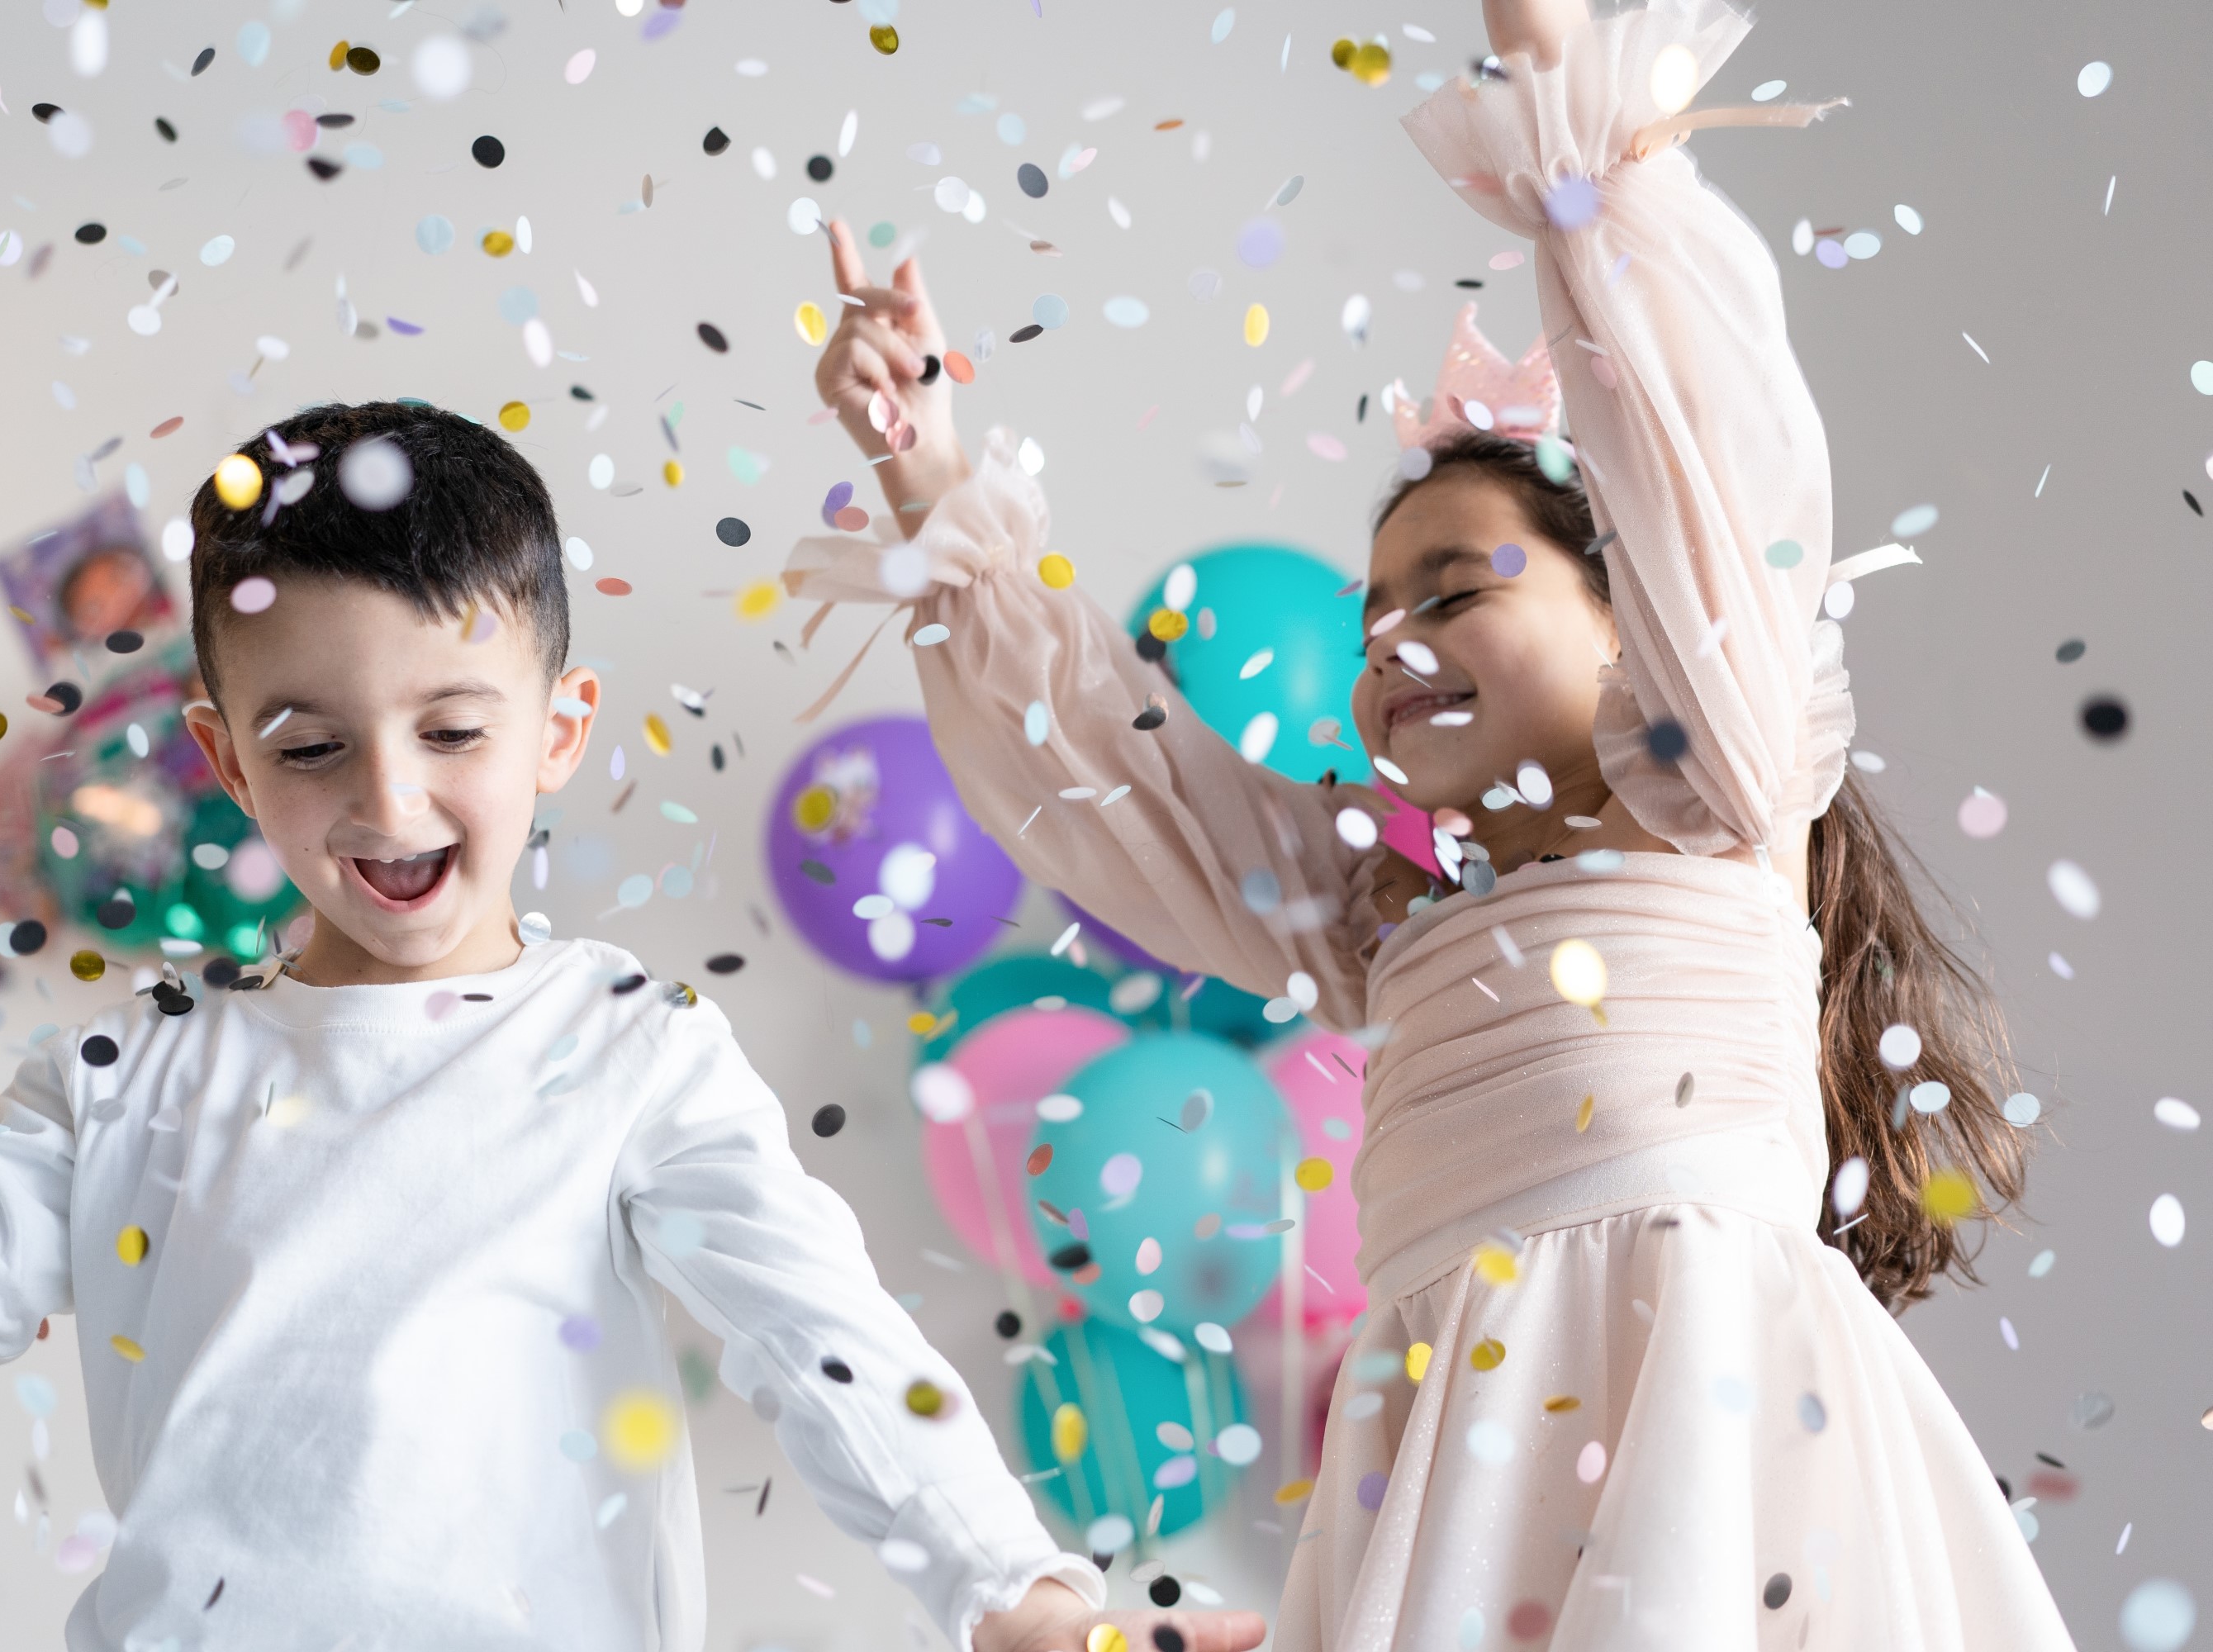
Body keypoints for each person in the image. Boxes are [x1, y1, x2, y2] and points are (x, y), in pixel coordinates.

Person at [786, 0, 2080, 1645]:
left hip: (1713, 1438)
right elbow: (1118, 782)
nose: (1396, 644)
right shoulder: (1373, 908)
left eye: (1460, 590)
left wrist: (1562, 88)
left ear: (1639, 618)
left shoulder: (1717, 787)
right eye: (1376, 619)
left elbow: (1705, 460)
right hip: (1459, 1477)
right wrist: (930, 477)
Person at [0, 402, 1265, 1652]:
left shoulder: (630, 1053)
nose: (390, 801)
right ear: (225, 759)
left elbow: (827, 1347)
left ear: (561, 732)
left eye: (455, 731)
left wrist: (1021, 1599)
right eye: (313, 744)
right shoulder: (127, 1076)